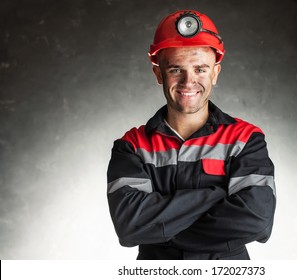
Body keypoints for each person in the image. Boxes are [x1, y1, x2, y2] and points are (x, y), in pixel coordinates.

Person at [107, 10, 276, 260]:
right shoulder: (131, 147)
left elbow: (257, 220)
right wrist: (217, 195)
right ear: (158, 73)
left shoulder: (245, 139)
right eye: (176, 69)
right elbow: (131, 226)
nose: (189, 81)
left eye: (200, 69)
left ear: (215, 73)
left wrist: (163, 233)